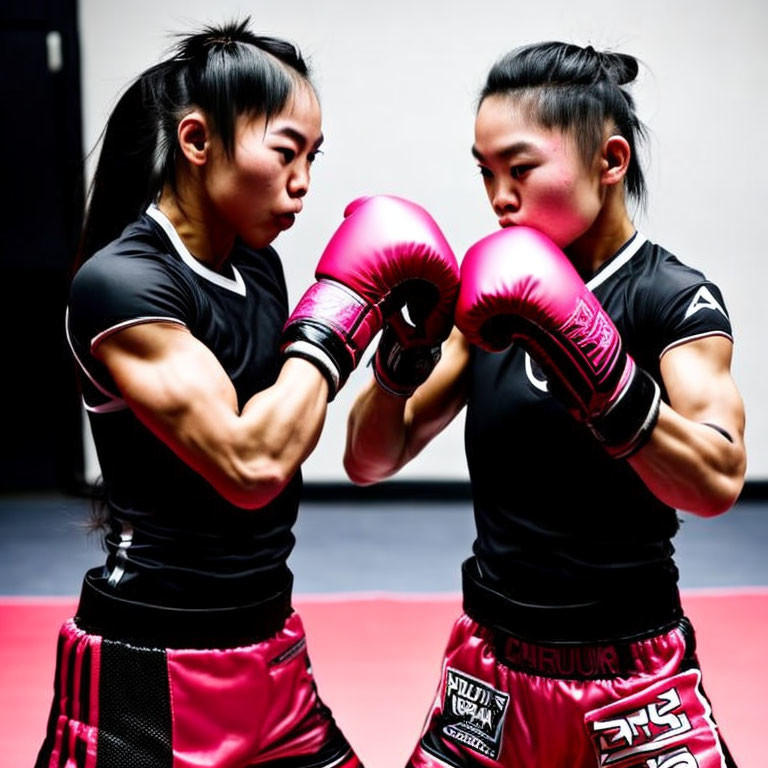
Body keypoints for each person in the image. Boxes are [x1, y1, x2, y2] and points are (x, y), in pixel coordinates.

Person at [35, 18, 459, 768]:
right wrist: (342, 311)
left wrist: (395, 357)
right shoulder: (122, 284)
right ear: (198, 143)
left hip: (269, 650)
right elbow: (250, 465)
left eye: (313, 158)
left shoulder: (256, 267)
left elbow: (287, 423)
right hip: (147, 671)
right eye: (285, 152)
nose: (302, 183)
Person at [344, 42, 746, 767]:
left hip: (634, 680)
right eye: (486, 172)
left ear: (610, 161)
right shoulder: (488, 302)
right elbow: (369, 459)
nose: (499, 196)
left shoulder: (672, 300)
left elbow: (718, 480)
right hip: (491, 673)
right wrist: (400, 358)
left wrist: (608, 385)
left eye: (520, 169)